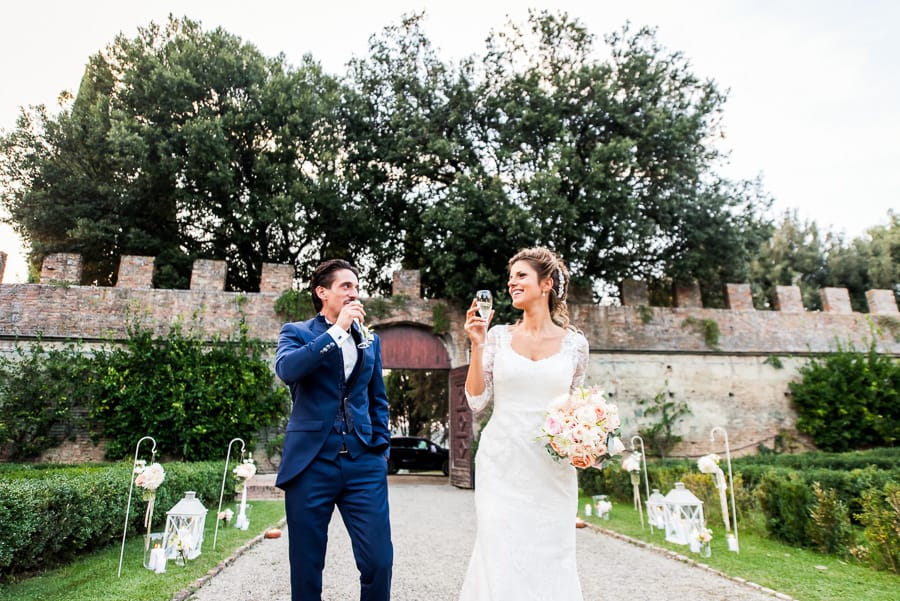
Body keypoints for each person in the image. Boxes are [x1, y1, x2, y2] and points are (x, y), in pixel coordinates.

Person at [460, 247, 589, 601]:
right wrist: (477, 344)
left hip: (552, 466)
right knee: (499, 549)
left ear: (546, 283)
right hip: (502, 460)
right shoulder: (498, 336)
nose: (511, 282)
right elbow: (476, 399)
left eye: (521, 276)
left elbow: (575, 407)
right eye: (511, 276)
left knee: (552, 552)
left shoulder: (575, 345)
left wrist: (586, 442)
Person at [274, 259, 392, 601]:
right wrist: (337, 330)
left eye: (356, 287)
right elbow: (289, 369)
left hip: (363, 462)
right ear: (322, 292)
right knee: (307, 566)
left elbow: (376, 398)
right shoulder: (295, 332)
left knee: (379, 561)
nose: (354, 293)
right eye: (346, 286)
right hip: (310, 463)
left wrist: (381, 448)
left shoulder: (371, 340)